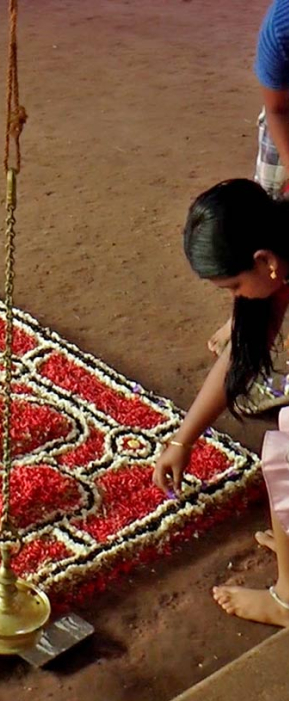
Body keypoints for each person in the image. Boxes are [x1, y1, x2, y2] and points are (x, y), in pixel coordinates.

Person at [153, 178, 289, 626]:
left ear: (264, 262)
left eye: (233, 287)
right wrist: (183, 439)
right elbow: (240, 360)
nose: (235, 301)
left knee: (286, 458)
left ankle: (287, 601)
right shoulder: (277, 260)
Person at [207, 0, 289, 358]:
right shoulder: (283, 27)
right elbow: (277, 109)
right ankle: (248, 314)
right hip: (286, 119)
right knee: (265, 215)